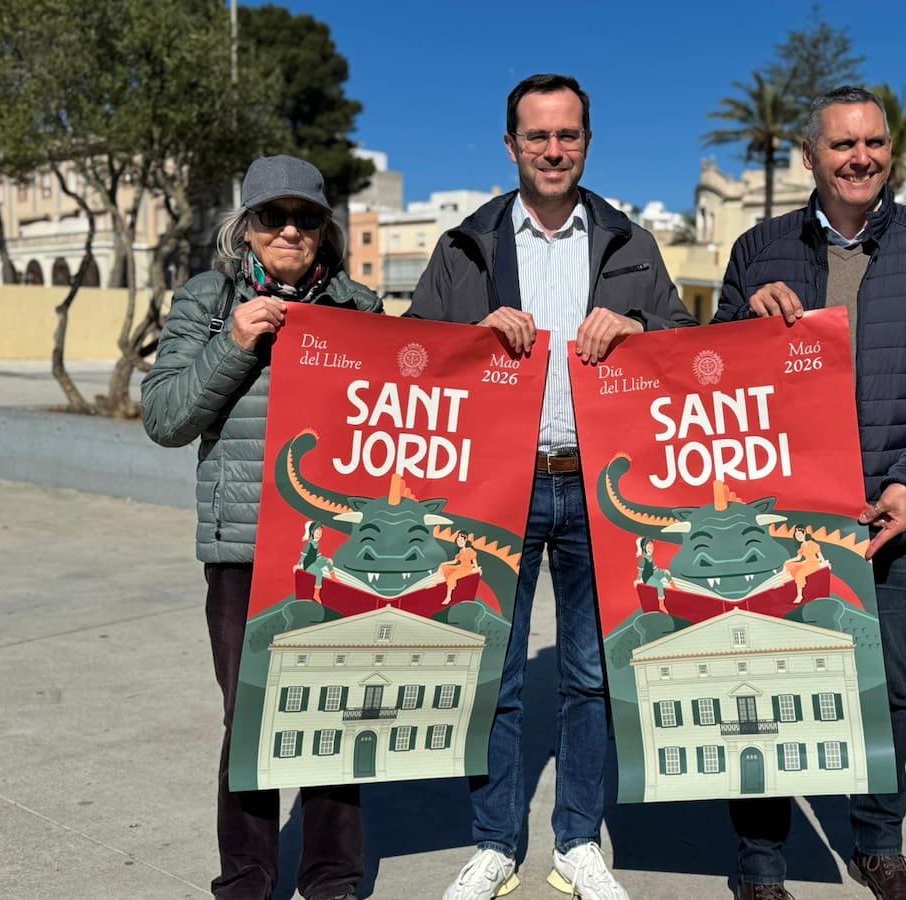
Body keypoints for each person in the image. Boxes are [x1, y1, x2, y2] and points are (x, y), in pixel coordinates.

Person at [409, 73, 696, 900]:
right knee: (494, 671)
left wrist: (641, 331)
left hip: (596, 489)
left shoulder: (631, 243)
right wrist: (471, 338)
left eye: (567, 134)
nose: (553, 149)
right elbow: (418, 356)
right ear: (511, 146)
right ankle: (496, 843)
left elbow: (681, 344)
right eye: (537, 136)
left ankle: (576, 842)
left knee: (589, 674)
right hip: (497, 488)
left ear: (587, 143)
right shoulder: (465, 244)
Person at [712, 87, 906, 900]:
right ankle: (762, 862)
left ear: (891, 150)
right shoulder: (758, 248)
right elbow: (711, 388)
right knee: (767, 683)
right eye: (842, 145)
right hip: (777, 520)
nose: (860, 157)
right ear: (810, 156)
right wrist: (745, 329)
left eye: (874, 142)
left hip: (890, 517)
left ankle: (879, 844)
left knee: (883, 684)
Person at [142, 154, 383, 900]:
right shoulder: (208, 301)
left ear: (325, 232)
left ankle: (333, 879)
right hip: (243, 546)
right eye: (273, 217)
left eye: (306, 218)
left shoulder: (361, 308)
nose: (289, 230)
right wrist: (235, 342)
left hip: (336, 550)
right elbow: (166, 418)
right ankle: (245, 881)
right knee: (249, 719)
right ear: (245, 228)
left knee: (338, 715)